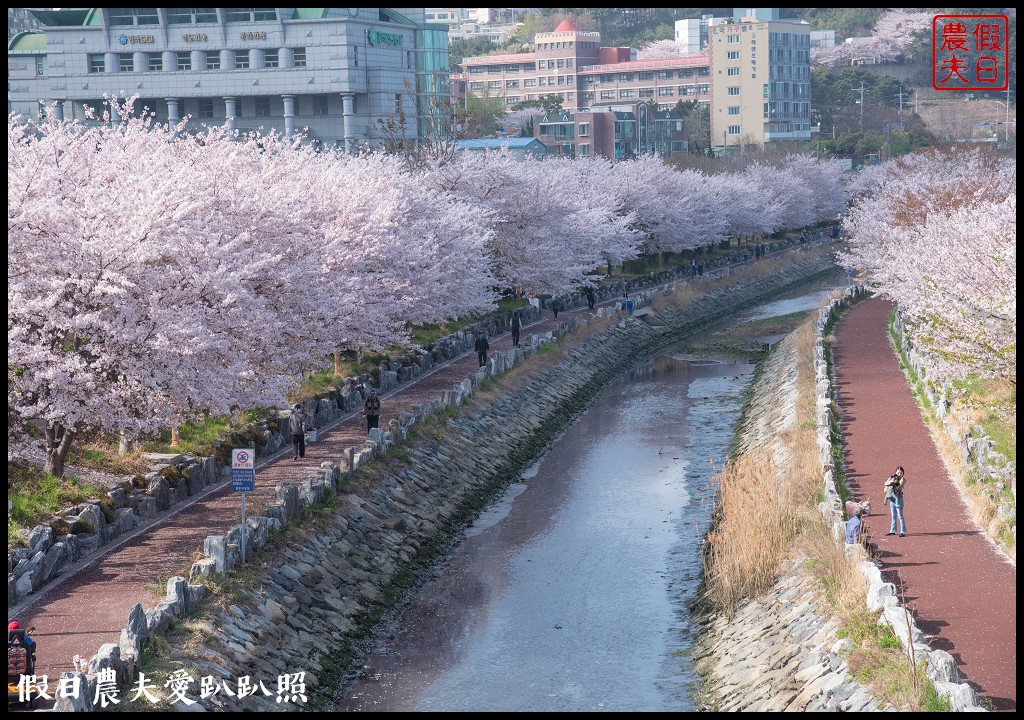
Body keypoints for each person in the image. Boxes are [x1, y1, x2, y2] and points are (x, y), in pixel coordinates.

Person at [884, 466, 907, 536]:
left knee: (900, 516)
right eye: (898, 472)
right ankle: (892, 530)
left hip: (898, 499)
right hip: (892, 499)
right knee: (893, 516)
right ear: (895, 472)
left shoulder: (903, 479)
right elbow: (885, 483)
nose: (899, 474)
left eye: (901, 473)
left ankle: (902, 531)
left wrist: (897, 483)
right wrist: (891, 481)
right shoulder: (892, 478)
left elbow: (899, 486)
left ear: (903, 474)